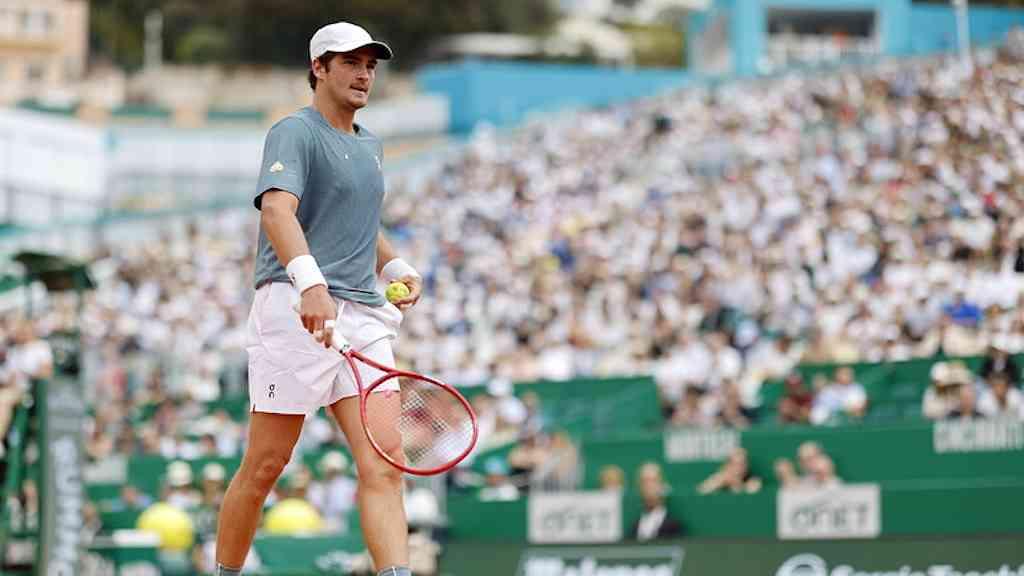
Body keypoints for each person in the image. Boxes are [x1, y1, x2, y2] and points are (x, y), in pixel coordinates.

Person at [215, 22, 422, 576]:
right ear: (319, 69)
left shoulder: (369, 143)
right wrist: (311, 284)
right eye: (350, 63)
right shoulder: (293, 132)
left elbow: (357, 220)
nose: (363, 74)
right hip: (294, 307)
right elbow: (278, 211)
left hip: (363, 316)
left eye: (370, 65)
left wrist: (394, 264)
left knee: (385, 464)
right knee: (264, 466)